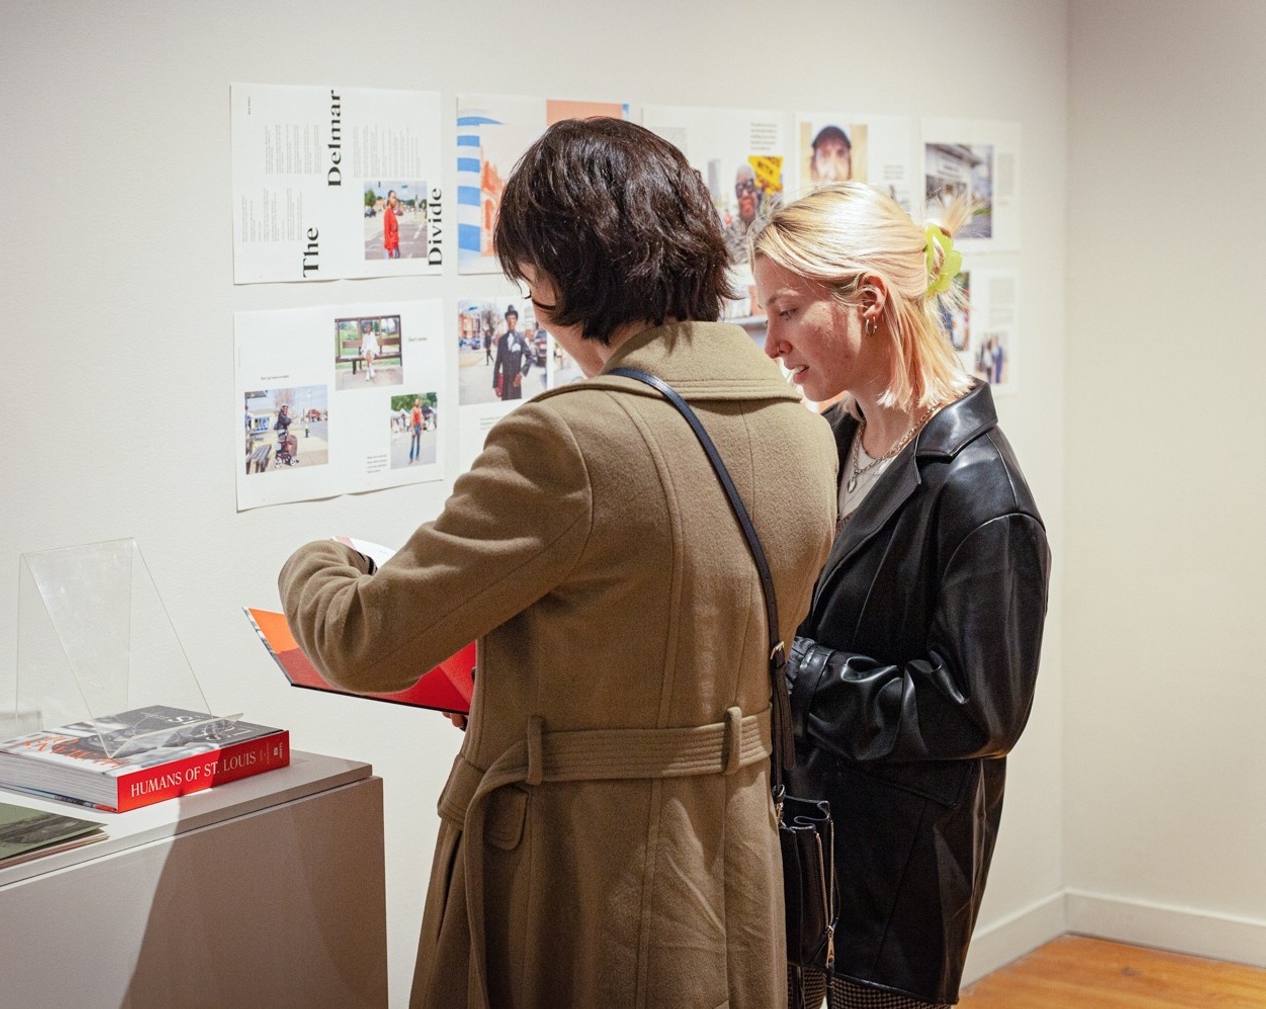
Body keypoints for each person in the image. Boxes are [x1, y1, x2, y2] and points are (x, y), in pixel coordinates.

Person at [278, 116, 838, 1008]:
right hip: (734, 857)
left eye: (531, 283)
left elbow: (363, 641)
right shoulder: (802, 434)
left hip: (588, 876)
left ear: (561, 277)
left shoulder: (572, 440)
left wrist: (318, 560)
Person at [751, 181, 1051, 1009]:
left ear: (870, 300)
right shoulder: (833, 444)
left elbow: (976, 712)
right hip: (808, 863)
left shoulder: (983, 493)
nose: (769, 342)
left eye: (785, 310)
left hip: (893, 899)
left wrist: (798, 671)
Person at [723, 163, 762, 265]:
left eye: (749, 186)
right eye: (739, 189)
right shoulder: (727, 236)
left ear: (756, 190)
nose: (745, 194)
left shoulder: (768, 232)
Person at [490, 304, 531, 401]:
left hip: (516, 383)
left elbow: (530, 357)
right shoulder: (502, 340)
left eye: (513, 318)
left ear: (516, 321)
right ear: (506, 321)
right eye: (508, 319)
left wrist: (521, 373)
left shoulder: (520, 339)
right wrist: (495, 384)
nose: (511, 321)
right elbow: (497, 363)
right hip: (504, 385)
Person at [383, 189, 401, 259]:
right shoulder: (387, 213)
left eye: (395, 198)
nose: (395, 200)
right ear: (389, 199)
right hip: (390, 249)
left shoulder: (392, 212)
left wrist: (398, 249)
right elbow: (387, 234)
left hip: (395, 247)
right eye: (393, 197)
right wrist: (390, 253)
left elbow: (395, 233)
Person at [408, 397, 424, 463]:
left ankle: (417, 456)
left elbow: (421, 420)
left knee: (418, 443)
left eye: (418, 401)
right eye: (416, 401)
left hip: (418, 427)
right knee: (412, 443)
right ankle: (411, 458)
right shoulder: (413, 409)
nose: (417, 402)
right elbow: (411, 420)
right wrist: (412, 429)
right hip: (414, 426)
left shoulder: (420, 410)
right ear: (415, 403)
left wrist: (422, 429)